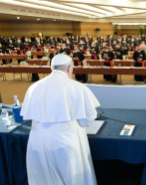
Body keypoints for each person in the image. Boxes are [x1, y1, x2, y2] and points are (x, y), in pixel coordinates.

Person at [20, 54, 100, 185]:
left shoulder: (33, 87)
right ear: (69, 68)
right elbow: (87, 119)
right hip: (65, 143)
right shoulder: (77, 87)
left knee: (41, 179)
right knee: (70, 178)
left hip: (36, 142)